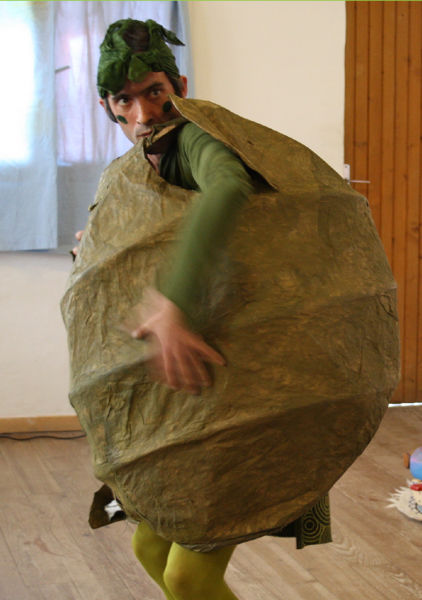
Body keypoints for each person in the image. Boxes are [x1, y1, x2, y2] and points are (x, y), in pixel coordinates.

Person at [64, 17, 399, 600]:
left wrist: (173, 301)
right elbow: (161, 229)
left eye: (154, 92)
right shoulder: (142, 163)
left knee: (188, 575)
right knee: (149, 546)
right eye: (126, 100)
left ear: (180, 88)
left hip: (242, 389)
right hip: (193, 395)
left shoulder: (194, 139)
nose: (143, 113)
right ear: (107, 107)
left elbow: (226, 187)